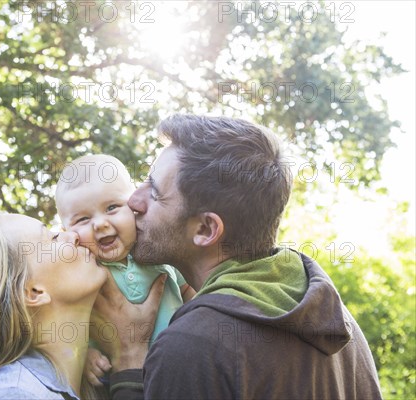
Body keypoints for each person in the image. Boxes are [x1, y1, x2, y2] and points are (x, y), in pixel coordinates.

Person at [92, 114, 383, 399]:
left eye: (154, 193)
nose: (133, 201)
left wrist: (129, 363)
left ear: (206, 229)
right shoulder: (335, 320)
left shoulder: (193, 346)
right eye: (144, 180)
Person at [0, 211, 166, 399]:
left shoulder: (91, 382)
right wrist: (130, 358)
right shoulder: (16, 394)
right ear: (33, 292)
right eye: (53, 237)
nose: (73, 236)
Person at [54, 154, 195, 386]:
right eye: (82, 220)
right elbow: (68, 326)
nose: (99, 224)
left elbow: (191, 294)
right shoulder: (82, 273)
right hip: (127, 380)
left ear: (134, 207)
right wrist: (84, 356)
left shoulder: (158, 253)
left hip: (180, 368)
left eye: (112, 207)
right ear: (67, 232)